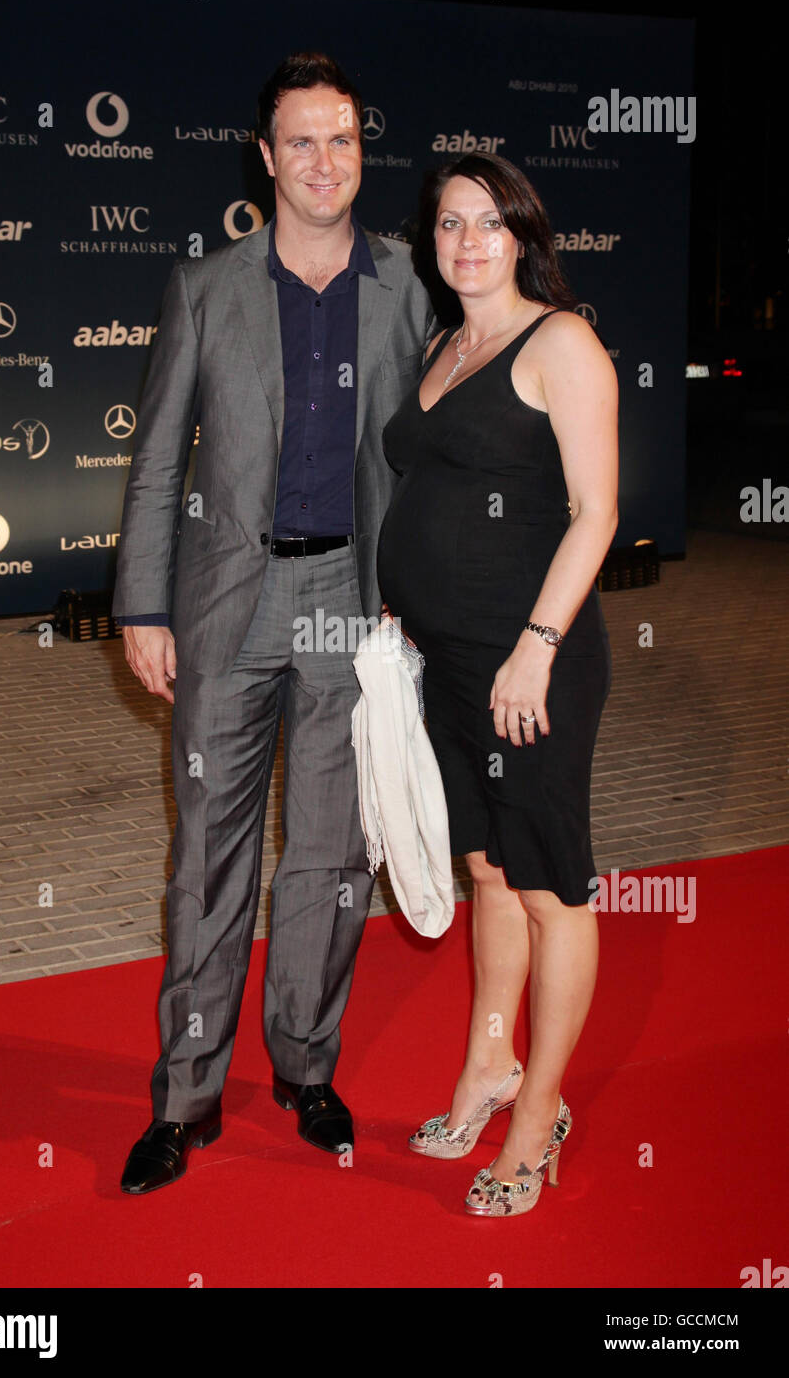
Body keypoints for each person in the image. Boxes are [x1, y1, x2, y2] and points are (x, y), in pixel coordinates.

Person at [113, 51, 434, 1194]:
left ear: (361, 150)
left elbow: (425, 456)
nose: (322, 161)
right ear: (265, 156)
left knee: (333, 854)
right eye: (300, 140)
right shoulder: (206, 288)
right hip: (226, 607)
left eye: (341, 138)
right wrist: (143, 605)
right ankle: (186, 1094)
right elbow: (157, 465)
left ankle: (304, 1064)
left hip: (352, 601)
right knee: (209, 853)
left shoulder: (406, 285)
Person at [376, 151, 618, 1217]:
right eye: (448, 226)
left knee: (548, 886)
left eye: (487, 222)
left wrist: (538, 642)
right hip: (448, 660)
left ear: (522, 234)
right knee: (484, 867)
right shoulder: (445, 342)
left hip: (529, 662)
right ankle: (488, 1064)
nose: (467, 242)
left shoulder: (559, 341)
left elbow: (595, 512)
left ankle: (538, 1119)